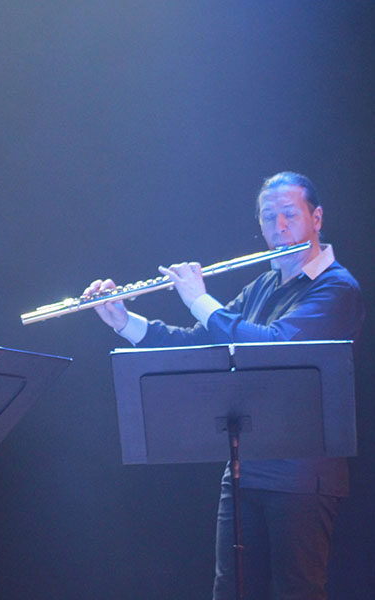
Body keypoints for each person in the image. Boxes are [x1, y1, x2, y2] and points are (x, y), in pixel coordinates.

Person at [84, 172, 364, 600]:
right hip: (244, 468)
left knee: (297, 593)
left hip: (304, 478)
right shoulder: (263, 286)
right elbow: (201, 342)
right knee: (231, 590)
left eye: (289, 215)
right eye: (269, 218)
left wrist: (199, 299)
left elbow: (273, 348)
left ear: (317, 218)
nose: (279, 228)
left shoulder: (337, 288)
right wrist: (126, 323)